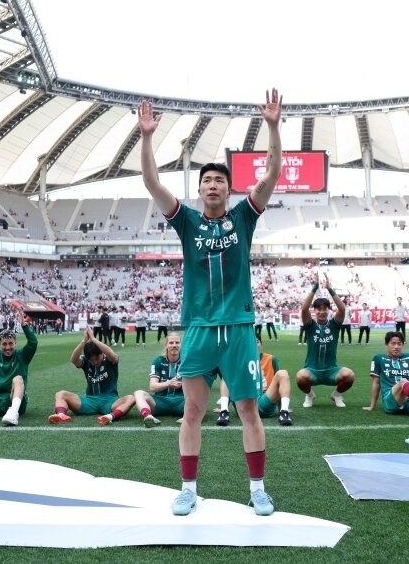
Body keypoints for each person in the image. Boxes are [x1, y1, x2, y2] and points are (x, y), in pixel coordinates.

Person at [138, 88, 282, 517]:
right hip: (199, 329)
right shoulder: (186, 221)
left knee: (248, 409)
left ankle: (258, 490)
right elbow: (151, 182)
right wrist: (147, 137)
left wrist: (273, 126)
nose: (213, 185)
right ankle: (188, 490)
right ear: (199, 190)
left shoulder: (244, 216)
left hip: (238, 329)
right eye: (207, 181)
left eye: (220, 180)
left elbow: (273, 172)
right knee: (193, 411)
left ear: (229, 189)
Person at [49, 325, 134, 425]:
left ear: (102, 353)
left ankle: (110, 416)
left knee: (131, 398)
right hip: (89, 401)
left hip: (109, 401)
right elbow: (74, 360)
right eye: (91, 360)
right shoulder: (86, 362)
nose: (95, 362)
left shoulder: (109, 360)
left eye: (97, 358)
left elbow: (112, 355)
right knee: (60, 394)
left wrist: (93, 339)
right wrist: (84, 341)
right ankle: (61, 415)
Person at [296, 275, 355, 408]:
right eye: (319, 309)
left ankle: (336, 395)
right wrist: (315, 287)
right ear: (315, 311)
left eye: (325, 308)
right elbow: (304, 309)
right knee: (300, 377)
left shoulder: (334, 325)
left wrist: (329, 288)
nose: (322, 312)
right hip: (312, 371)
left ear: (329, 310)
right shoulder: (310, 326)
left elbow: (342, 309)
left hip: (331, 371)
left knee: (349, 375)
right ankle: (310, 395)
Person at [216, 333, 293, 427]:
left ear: (261, 344)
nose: (254, 344)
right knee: (228, 374)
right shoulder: (239, 360)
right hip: (245, 398)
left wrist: (282, 407)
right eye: (251, 342)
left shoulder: (271, 359)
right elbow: (231, 383)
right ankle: (224, 412)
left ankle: (284, 413)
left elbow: (279, 385)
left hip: (265, 399)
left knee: (283, 373)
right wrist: (225, 405)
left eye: (256, 341)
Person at [133, 333, 186, 427]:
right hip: (160, 402)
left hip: (181, 401)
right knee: (138, 393)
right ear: (166, 345)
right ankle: (148, 417)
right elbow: (153, 387)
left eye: (177, 342)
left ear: (181, 344)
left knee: (200, 394)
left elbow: (194, 386)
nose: (174, 345)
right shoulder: (158, 361)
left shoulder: (186, 361)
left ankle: (188, 417)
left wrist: (183, 384)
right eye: (171, 343)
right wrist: (168, 383)